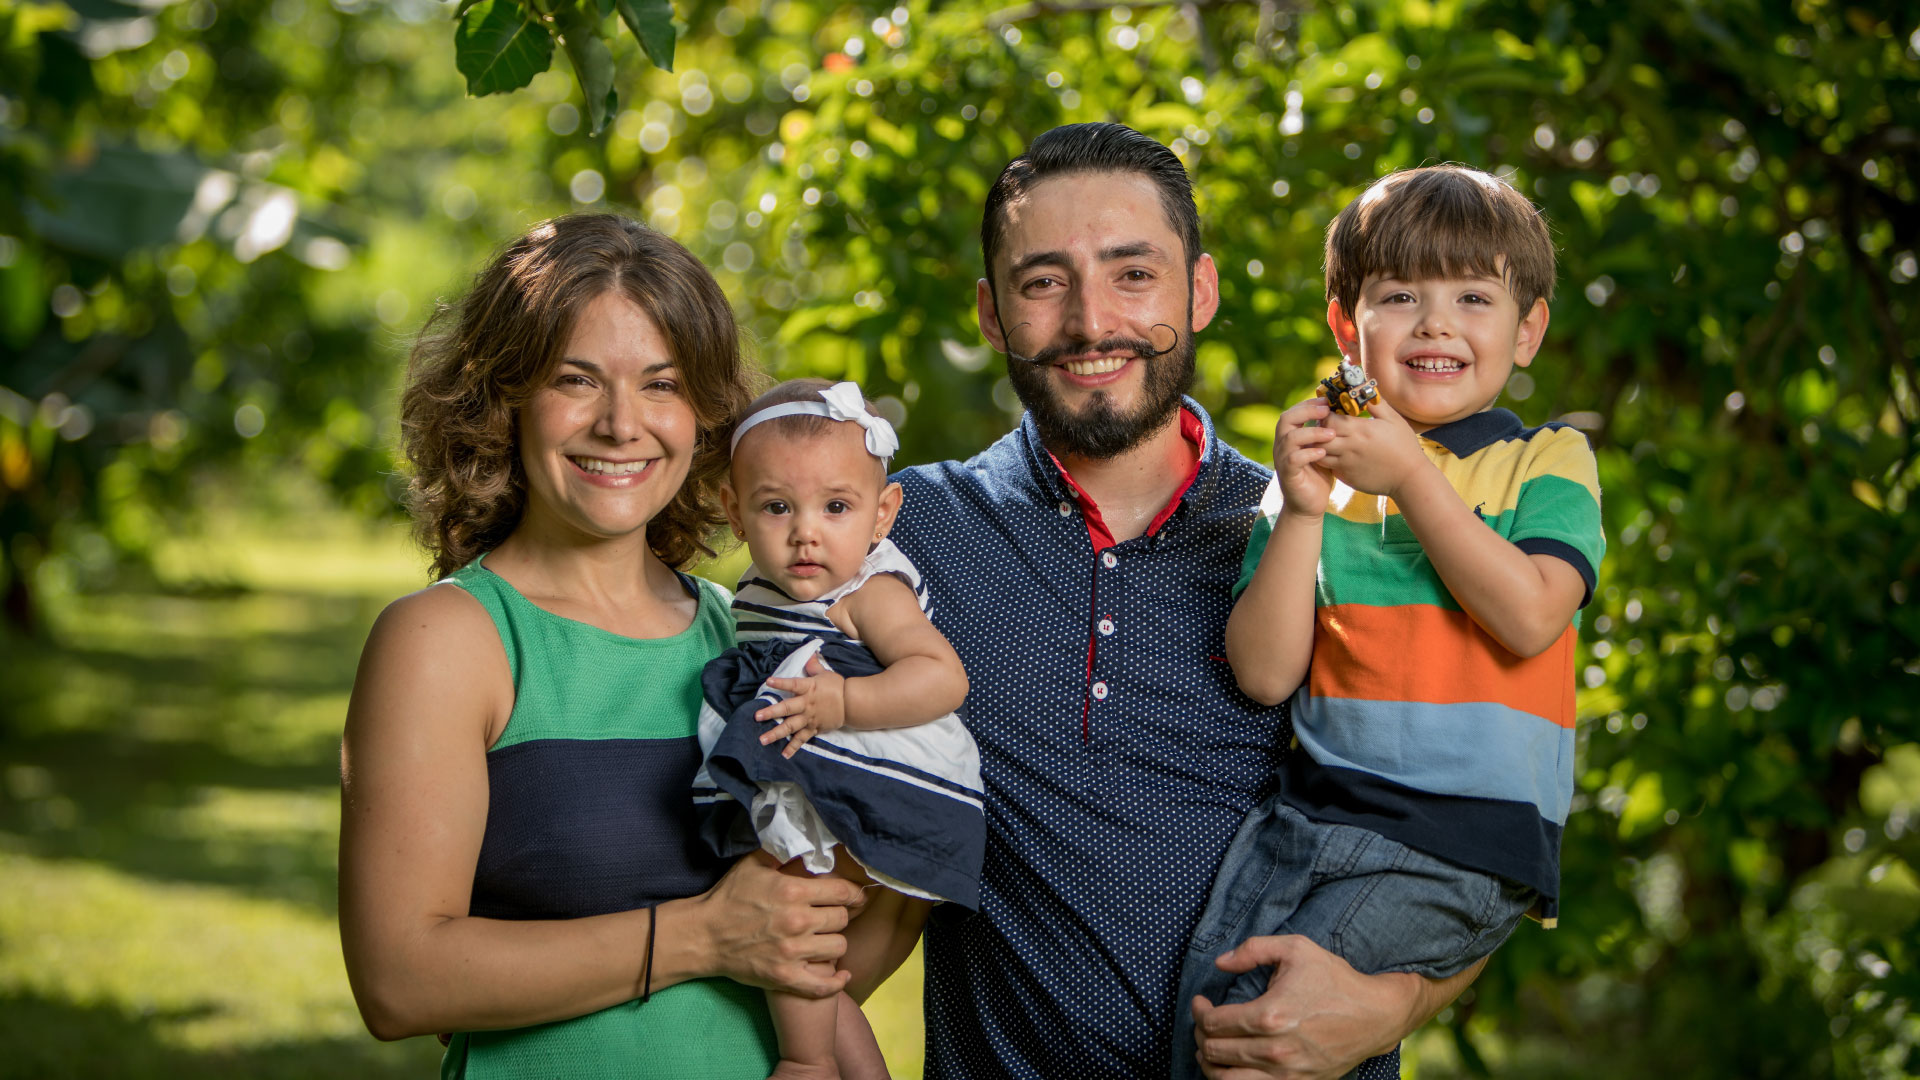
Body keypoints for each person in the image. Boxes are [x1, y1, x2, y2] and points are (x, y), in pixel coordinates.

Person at [885, 122, 1481, 1080]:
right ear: (993, 315)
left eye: (1133, 274)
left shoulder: (1333, 528)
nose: (1090, 322)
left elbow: (1477, 816)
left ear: (1199, 292)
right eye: (1044, 282)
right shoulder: (912, 534)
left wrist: (1390, 1005)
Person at [337, 213, 864, 1079]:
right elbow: (399, 981)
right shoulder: (447, 643)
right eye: (577, 379)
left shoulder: (750, 635)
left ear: (704, 415)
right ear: (505, 397)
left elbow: (822, 941)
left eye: (661, 385)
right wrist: (701, 938)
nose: (622, 425)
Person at [1176, 165, 1605, 1076]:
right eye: (1400, 294)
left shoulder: (1547, 462)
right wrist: (1297, 509)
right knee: (1207, 1016)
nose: (1436, 322)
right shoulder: (1314, 479)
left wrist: (1409, 472)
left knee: (1263, 1028)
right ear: (1347, 325)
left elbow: (1530, 616)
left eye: (1474, 297)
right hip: (1307, 821)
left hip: (1455, 844)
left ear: (1527, 330)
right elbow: (1263, 672)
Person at [692, 377, 982, 1079]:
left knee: (787, 904)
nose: (805, 532)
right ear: (735, 510)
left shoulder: (869, 591)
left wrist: (844, 703)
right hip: (852, 776)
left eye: (837, 507)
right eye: (776, 507)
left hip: (884, 771)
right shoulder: (761, 592)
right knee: (832, 978)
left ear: (883, 515)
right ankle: (837, 1052)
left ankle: (807, 1059)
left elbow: (944, 677)